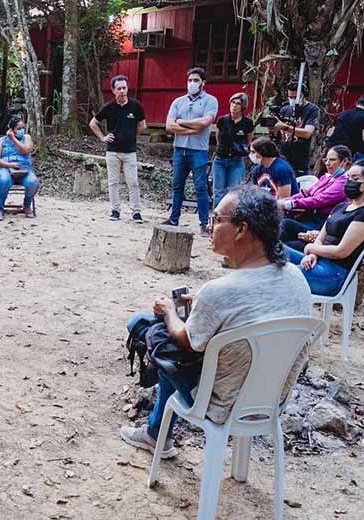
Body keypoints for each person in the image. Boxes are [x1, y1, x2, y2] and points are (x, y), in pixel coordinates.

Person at [120, 185, 312, 458]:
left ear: (241, 229)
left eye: (217, 218)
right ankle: (154, 433)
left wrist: (169, 312)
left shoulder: (220, 291)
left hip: (222, 401)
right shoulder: (295, 277)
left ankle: (155, 434)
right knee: (167, 340)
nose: (210, 226)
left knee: (153, 333)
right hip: (271, 399)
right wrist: (201, 302)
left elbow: (187, 341)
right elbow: (255, 307)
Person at [284, 158, 364, 296]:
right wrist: (313, 254)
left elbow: (341, 251)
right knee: (270, 249)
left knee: (280, 274)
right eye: (348, 177)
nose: (349, 181)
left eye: (355, 178)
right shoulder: (341, 207)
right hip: (317, 260)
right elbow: (321, 237)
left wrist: (311, 248)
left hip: (333, 274)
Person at [165, 67, 218, 234]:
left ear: (203, 83)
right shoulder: (178, 101)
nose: (192, 83)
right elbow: (169, 125)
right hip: (180, 149)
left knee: (201, 186)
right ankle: (174, 219)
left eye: (196, 80)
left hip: (198, 150)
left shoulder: (210, 101)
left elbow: (205, 123)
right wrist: (190, 129)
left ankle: (204, 223)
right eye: (190, 80)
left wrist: (181, 122)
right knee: (177, 185)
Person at [89, 75, 147, 223]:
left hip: (130, 151)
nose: (122, 91)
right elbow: (93, 123)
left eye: (124, 88)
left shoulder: (136, 106)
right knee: (113, 182)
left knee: (133, 182)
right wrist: (103, 137)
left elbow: (143, 125)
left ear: (127, 88)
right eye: (119, 88)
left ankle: (136, 212)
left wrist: (131, 134)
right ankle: (115, 210)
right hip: (113, 151)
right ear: (113, 91)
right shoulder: (109, 107)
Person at [279, 145, 351, 247]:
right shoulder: (326, 177)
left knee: (285, 226)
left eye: (332, 160)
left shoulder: (343, 182)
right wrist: (285, 200)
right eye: (326, 160)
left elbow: (320, 200)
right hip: (311, 217)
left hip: (323, 223)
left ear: (345, 161)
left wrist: (291, 203)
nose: (327, 163)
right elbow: (306, 193)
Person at [0, 114, 39, 221]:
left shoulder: (27, 138)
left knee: (33, 182)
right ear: (12, 129)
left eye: (23, 128)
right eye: (19, 129)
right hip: (6, 168)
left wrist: (13, 139)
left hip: (24, 169)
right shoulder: (2, 140)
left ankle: (27, 205)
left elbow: (26, 150)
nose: (22, 130)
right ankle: (0, 209)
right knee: (4, 180)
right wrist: (9, 165)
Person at [212, 92, 254, 206]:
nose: (234, 106)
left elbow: (248, 140)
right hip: (220, 159)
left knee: (233, 192)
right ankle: (216, 219)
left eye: (238, 104)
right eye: (233, 102)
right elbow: (218, 138)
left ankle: (230, 220)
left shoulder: (248, 123)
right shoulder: (222, 120)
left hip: (236, 160)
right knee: (218, 192)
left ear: (243, 106)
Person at [273, 80, 320, 176]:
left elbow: (307, 133)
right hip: (283, 155)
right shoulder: (284, 109)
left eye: (295, 97)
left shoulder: (312, 110)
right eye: (290, 97)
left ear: (303, 96)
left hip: (300, 159)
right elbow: (277, 136)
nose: (293, 100)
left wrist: (286, 127)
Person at [326, 95, 364, 160]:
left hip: (332, 147)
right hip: (346, 149)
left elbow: (331, 131)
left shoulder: (342, 114)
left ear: (357, 103)